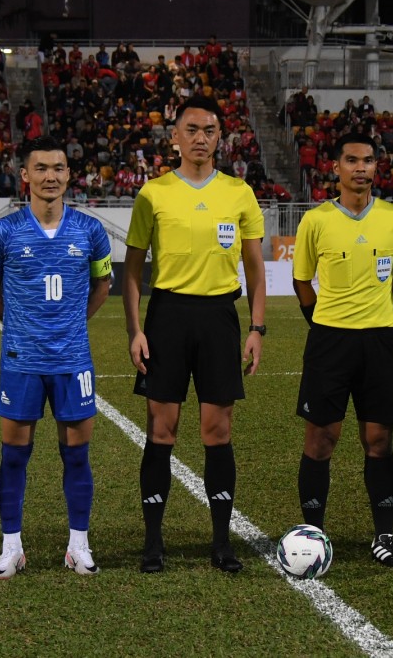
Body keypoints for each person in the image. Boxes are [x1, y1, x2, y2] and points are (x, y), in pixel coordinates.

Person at [123, 95, 266, 574]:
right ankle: (152, 543)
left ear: (219, 137)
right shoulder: (153, 193)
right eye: (192, 129)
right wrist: (136, 329)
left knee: (217, 431)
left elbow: (255, 269)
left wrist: (257, 327)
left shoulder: (239, 193)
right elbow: (132, 270)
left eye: (209, 130)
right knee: (161, 431)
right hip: (167, 317)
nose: (200, 138)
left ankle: (221, 542)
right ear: (175, 137)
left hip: (219, 317)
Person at [0, 136, 112, 579]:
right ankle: (11, 546)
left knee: (77, 455)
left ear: (69, 175)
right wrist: (19, 324)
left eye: (58, 168)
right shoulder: (2, 232)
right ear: (25, 176)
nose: (50, 176)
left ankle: (79, 545)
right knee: (14, 455)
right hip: (21, 361)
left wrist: (73, 323)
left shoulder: (91, 231)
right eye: (41, 168)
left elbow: (102, 286)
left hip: (74, 360)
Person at [292, 133, 393, 568]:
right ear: (336, 168)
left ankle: (384, 536)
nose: (360, 167)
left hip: (379, 340)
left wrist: (381, 311)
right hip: (329, 340)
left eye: (367, 160)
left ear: (376, 167)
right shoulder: (316, 220)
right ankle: (313, 536)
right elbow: (302, 282)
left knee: (379, 440)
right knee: (321, 439)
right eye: (351, 160)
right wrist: (324, 324)